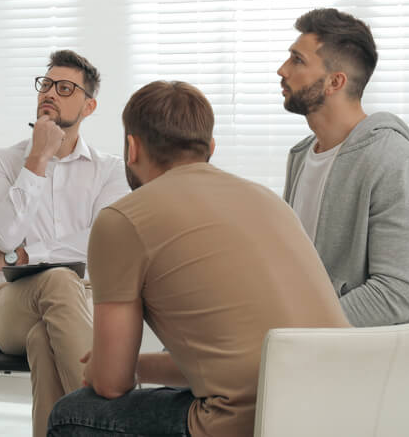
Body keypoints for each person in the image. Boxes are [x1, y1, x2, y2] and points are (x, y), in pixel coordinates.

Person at [48, 81, 349, 437]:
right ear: (210, 148)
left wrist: (104, 368)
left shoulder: (122, 220)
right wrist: (139, 366)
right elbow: (234, 360)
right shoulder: (266, 200)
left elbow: (111, 384)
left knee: (71, 414)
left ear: (132, 148)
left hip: (247, 425)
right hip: (338, 411)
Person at [0, 49, 130, 437]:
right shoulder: (1, 162)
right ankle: (112, 425)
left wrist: (24, 254)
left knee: (44, 340)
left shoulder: (110, 169)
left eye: (65, 88)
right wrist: (38, 158)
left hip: (85, 299)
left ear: (89, 105)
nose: (50, 93)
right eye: (46, 85)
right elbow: (3, 236)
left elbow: (103, 244)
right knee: (60, 281)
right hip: (13, 300)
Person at [278, 7, 409, 326]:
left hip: (376, 347)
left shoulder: (396, 164)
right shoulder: (301, 156)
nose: (282, 70)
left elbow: (393, 293)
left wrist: (296, 330)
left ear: (334, 82)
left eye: (297, 60)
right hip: (312, 338)